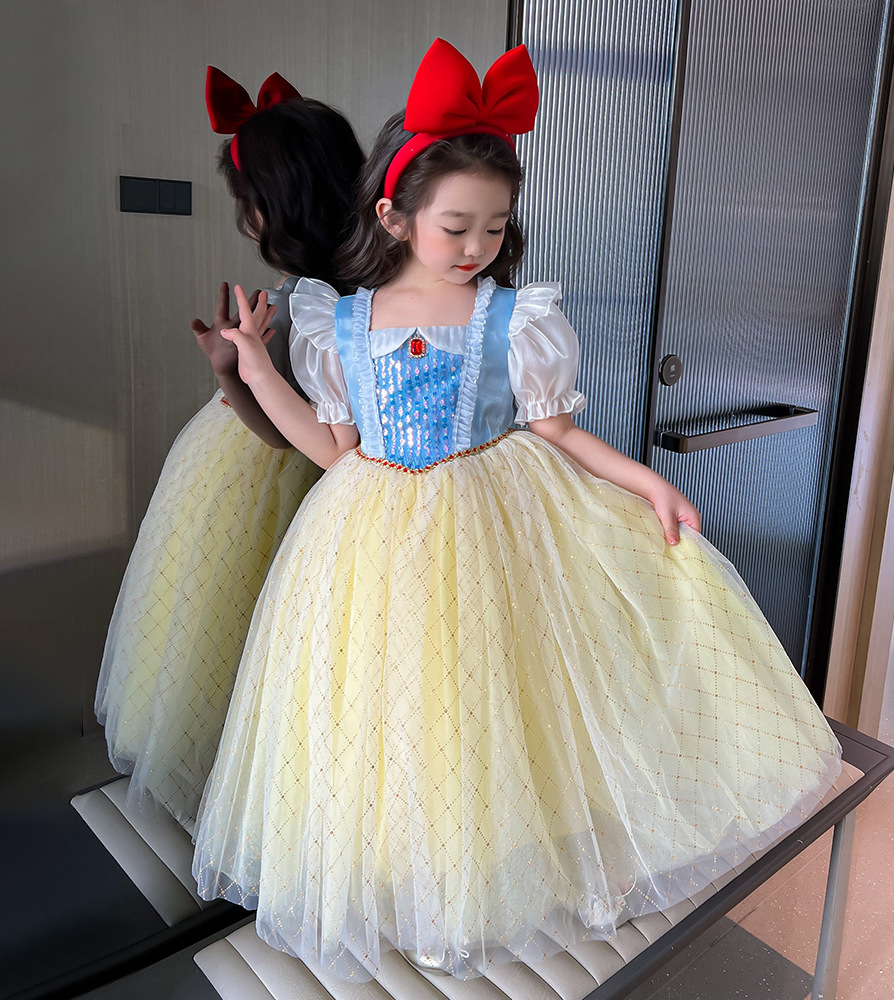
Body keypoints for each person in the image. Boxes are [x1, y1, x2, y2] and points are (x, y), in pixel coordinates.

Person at [193, 39, 842, 981]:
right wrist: (254, 365)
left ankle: (483, 885)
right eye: (457, 227)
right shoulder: (340, 322)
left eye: (495, 228)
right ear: (394, 215)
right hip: (365, 541)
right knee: (384, 714)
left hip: (490, 532)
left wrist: (646, 481)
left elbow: (560, 432)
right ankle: (402, 887)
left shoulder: (513, 318)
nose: (477, 248)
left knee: (487, 707)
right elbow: (333, 451)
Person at [95, 67, 363, 833]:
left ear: (275, 206)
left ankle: (251, 818)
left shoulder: (320, 305)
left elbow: (294, 438)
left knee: (249, 651)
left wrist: (237, 372)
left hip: (273, 483)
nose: (244, 220)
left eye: (248, 203)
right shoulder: (317, 290)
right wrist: (232, 365)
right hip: (256, 468)